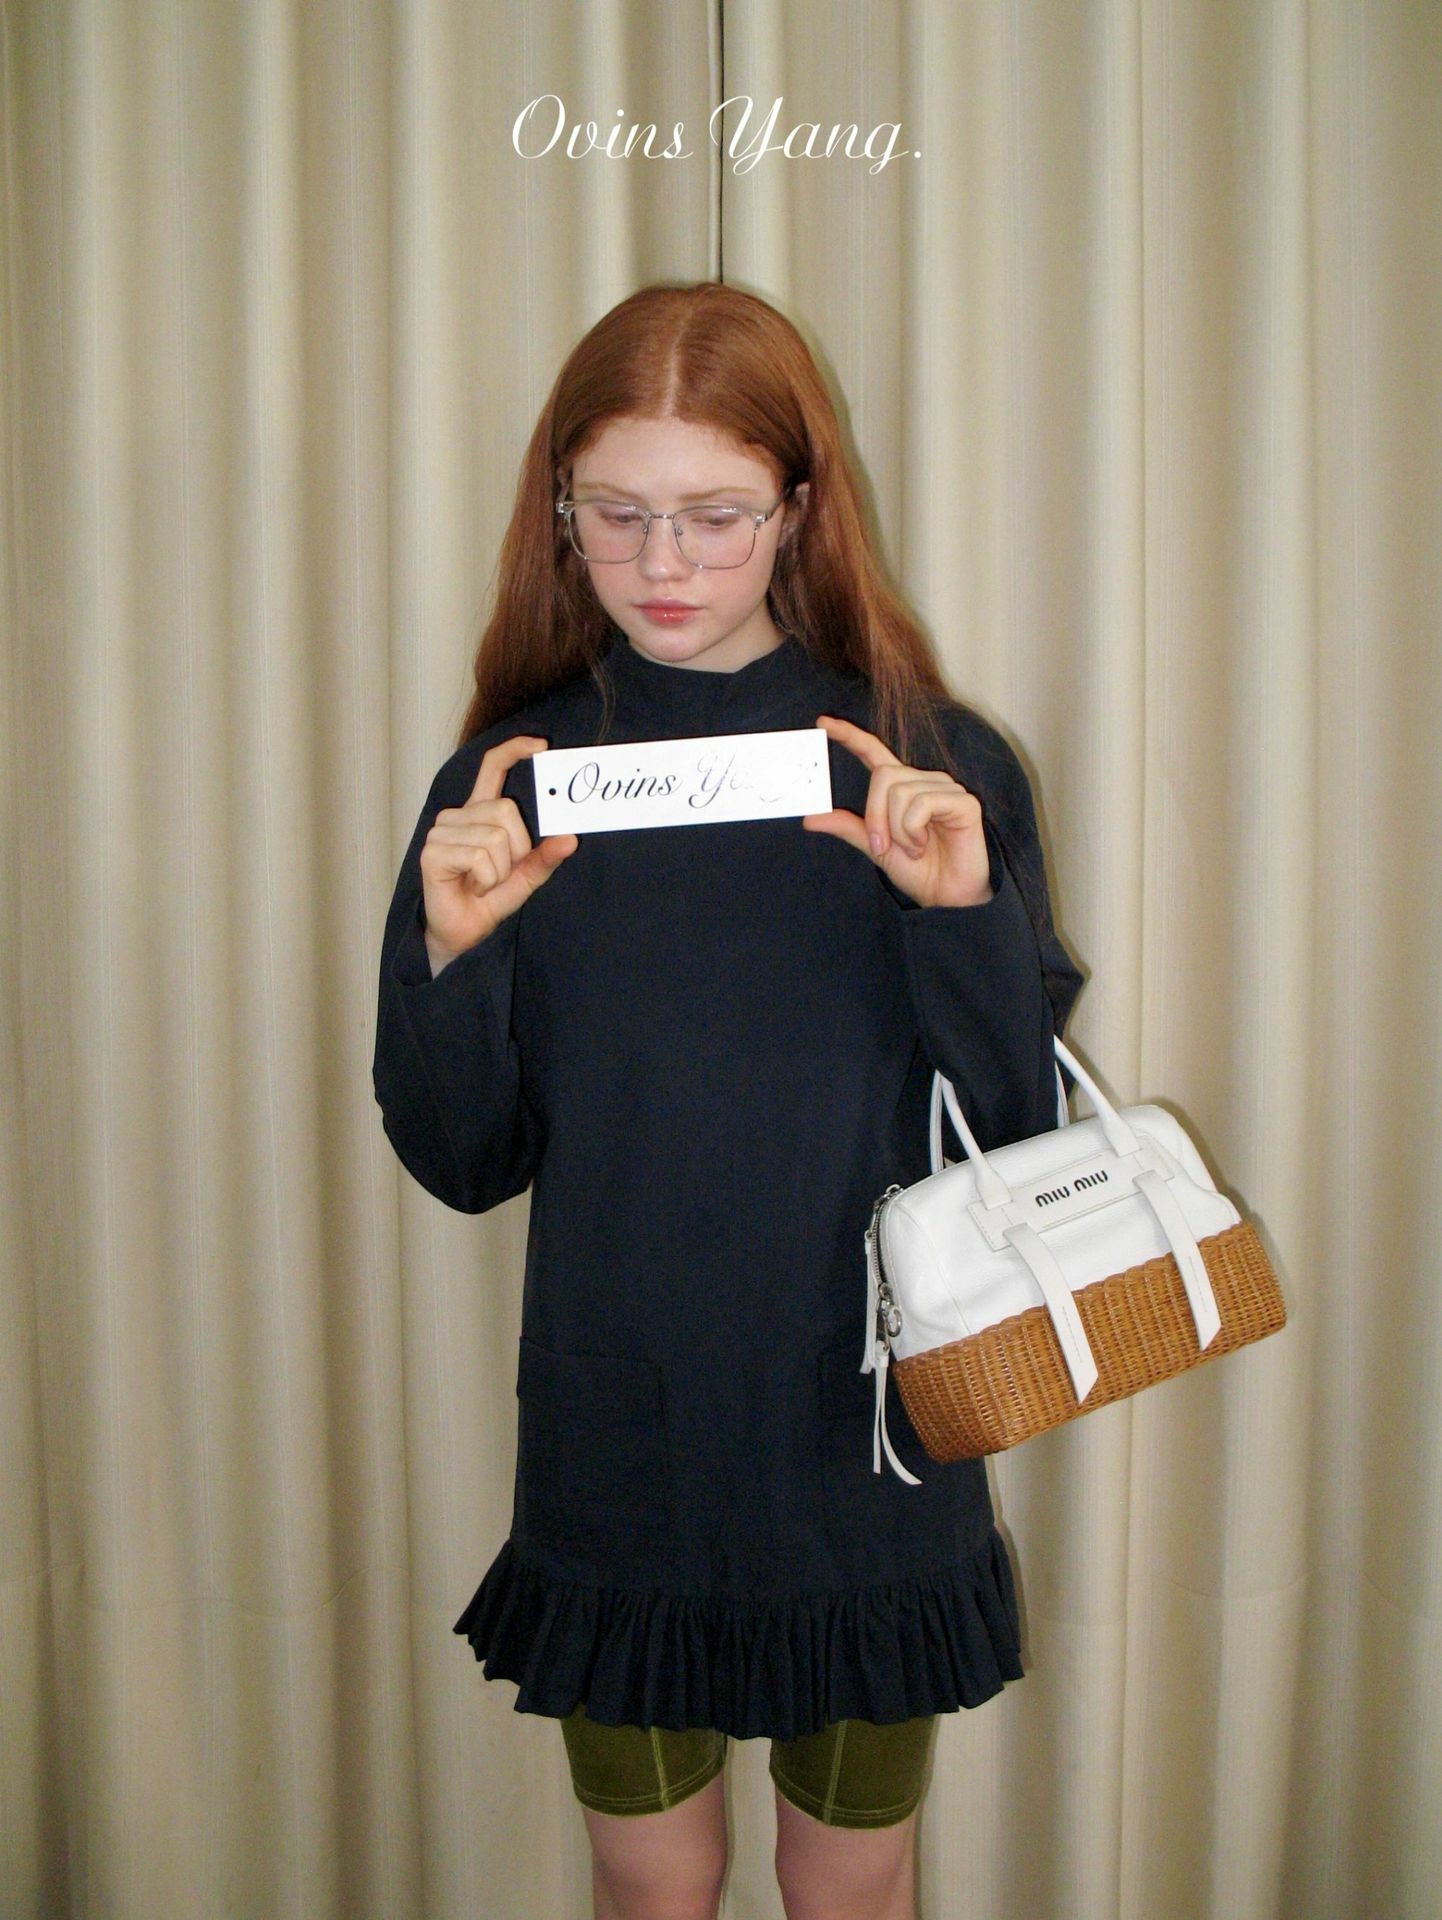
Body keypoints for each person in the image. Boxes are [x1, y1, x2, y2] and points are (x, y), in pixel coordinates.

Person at [372, 281, 1084, 1920]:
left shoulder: (924, 767)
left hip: (869, 1445)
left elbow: (1019, 1139)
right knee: (651, 1886)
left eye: (714, 515)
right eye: (616, 514)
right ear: (558, 510)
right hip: (619, 1445)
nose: (665, 564)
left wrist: (958, 916)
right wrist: (452, 954)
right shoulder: (515, 782)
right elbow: (465, 1161)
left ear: (798, 508)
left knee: (851, 1885)